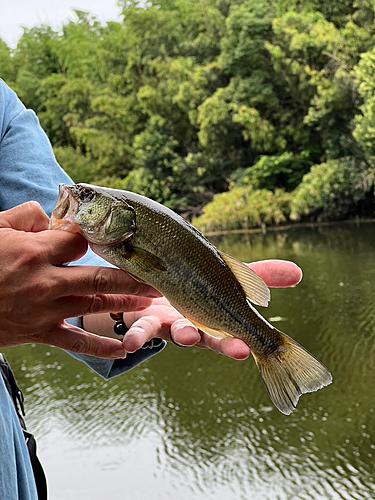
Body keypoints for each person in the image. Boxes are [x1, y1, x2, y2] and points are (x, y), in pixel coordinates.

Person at [0, 78, 302, 499]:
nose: (72, 197)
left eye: (87, 198)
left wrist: (126, 314)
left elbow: (65, 271)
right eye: (85, 196)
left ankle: (273, 348)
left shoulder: (4, 109)